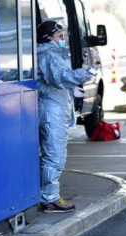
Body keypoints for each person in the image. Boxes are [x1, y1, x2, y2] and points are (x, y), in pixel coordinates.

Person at [36, 21, 93, 213]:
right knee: (55, 156)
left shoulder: (44, 54)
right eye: (60, 36)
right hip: (52, 112)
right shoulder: (49, 55)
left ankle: (47, 195)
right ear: (49, 37)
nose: (62, 40)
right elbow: (59, 78)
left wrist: (70, 90)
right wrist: (80, 76)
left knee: (50, 155)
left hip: (51, 108)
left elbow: (51, 82)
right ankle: (50, 199)